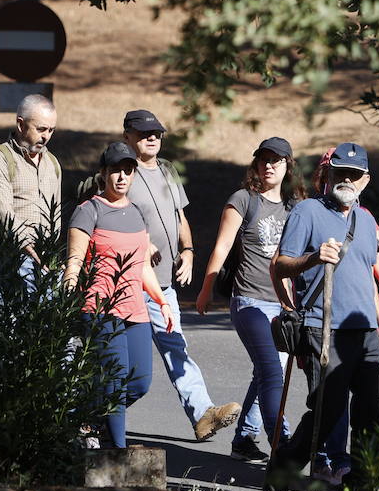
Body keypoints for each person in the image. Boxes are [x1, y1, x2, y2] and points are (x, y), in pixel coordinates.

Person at [266, 142, 379, 491]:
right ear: (329, 173)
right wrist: (313, 258)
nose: (346, 180)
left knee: (370, 414)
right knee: (326, 414)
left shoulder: (366, 221)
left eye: (354, 174)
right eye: (340, 172)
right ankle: (282, 469)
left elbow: (366, 275)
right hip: (325, 329)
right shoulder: (307, 212)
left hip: (364, 329)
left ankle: (361, 487)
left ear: (365, 180)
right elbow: (281, 264)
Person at [121, 109, 240, 440]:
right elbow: (113, 212)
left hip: (162, 284)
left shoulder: (168, 170)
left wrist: (187, 252)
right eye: (145, 133)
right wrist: (141, 242)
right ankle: (87, 418)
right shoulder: (122, 173)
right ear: (127, 137)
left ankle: (203, 414)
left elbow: (179, 217)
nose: (153, 138)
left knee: (177, 349)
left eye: (157, 133)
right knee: (126, 364)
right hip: (128, 286)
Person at [195, 137, 307, 463]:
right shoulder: (243, 200)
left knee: (266, 373)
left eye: (277, 160)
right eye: (264, 159)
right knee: (271, 369)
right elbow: (222, 247)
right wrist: (206, 288)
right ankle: (283, 444)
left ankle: (244, 438)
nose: (269, 166)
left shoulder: (295, 207)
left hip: (283, 305)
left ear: (288, 166)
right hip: (249, 301)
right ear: (256, 164)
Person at [64, 143, 175, 449]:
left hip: (134, 310)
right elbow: (74, 260)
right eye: (115, 170)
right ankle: (118, 452)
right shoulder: (89, 211)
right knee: (114, 382)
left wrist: (162, 303)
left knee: (139, 382)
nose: (122, 176)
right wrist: (67, 292)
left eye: (128, 170)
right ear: (103, 174)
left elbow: (141, 266)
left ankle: (83, 418)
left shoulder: (137, 213)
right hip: (100, 308)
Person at [0, 93, 62, 290]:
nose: (46, 136)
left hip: (43, 258)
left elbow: (55, 212)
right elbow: (2, 216)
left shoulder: (53, 164)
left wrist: (50, 254)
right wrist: (32, 254)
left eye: (51, 130)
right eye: (40, 129)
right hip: (5, 255)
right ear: (20, 124)